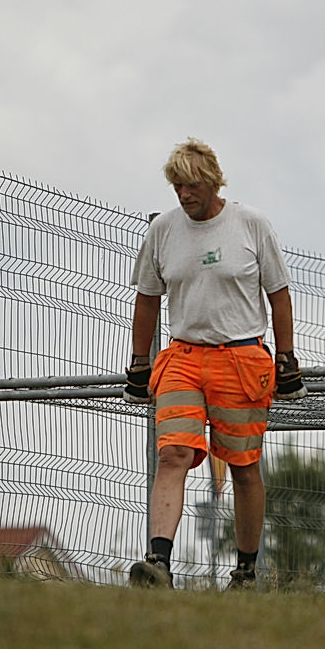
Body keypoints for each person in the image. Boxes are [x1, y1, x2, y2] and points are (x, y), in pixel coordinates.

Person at [123, 138, 305, 590]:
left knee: (243, 466)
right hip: (183, 357)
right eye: (177, 187)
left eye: (191, 186)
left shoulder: (250, 224)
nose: (184, 196)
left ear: (211, 182)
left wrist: (285, 358)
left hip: (241, 357)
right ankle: (157, 562)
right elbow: (147, 300)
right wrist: (138, 363)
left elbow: (278, 294)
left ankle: (244, 570)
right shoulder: (163, 230)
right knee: (173, 454)